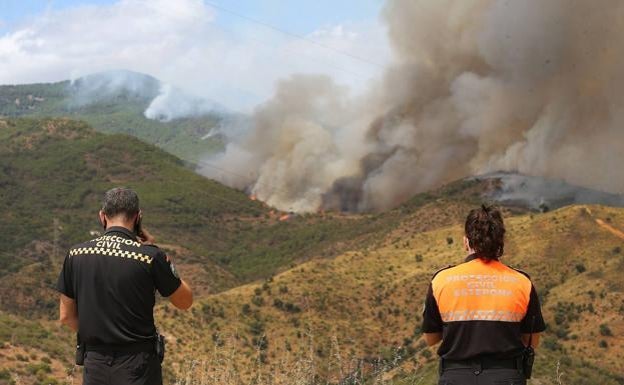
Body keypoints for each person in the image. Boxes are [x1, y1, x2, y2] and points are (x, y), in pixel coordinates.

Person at [57, 187, 193, 385]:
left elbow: (66, 316)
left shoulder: (75, 254)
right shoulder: (149, 256)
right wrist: (161, 257)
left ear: (102, 216)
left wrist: (101, 337)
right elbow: (185, 301)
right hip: (138, 366)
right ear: (138, 217)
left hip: (95, 364)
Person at [422, 205, 545, 384]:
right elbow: (532, 342)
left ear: (466, 242)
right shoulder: (521, 282)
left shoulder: (442, 280)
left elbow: (431, 339)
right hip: (506, 377)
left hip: (456, 378)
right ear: (500, 241)